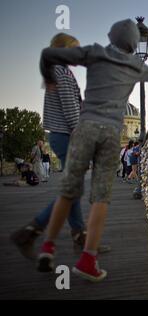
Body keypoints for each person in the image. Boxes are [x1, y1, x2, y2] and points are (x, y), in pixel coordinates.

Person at [37, 19, 148, 281]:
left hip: (85, 127)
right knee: (101, 198)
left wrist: (47, 76)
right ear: (133, 45)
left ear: (110, 36)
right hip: (111, 133)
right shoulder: (136, 65)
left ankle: (47, 248)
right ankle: (88, 260)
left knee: (68, 190)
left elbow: (48, 54)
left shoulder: (94, 52)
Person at [10, 33, 110, 260]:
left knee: (71, 189)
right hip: (68, 136)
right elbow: (70, 110)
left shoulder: (54, 71)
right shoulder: (62, 73)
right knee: (71, 190)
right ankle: (30, 232)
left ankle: (79, 236)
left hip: (61, 136)